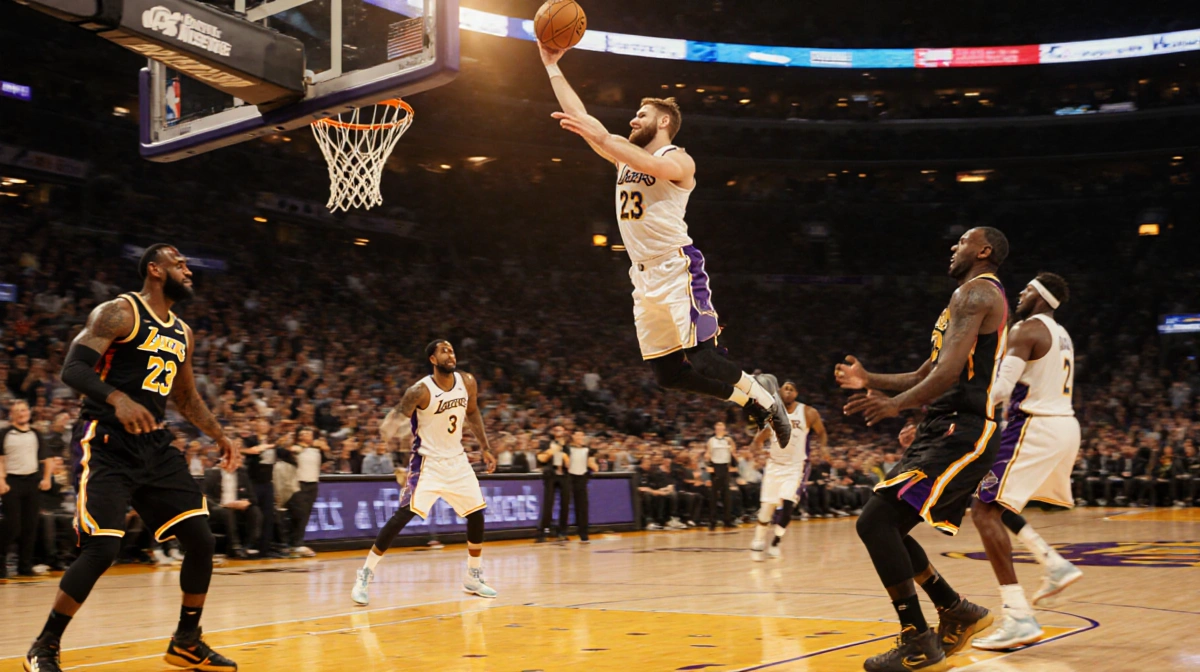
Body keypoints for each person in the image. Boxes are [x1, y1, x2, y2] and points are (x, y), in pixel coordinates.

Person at [539, 42, 792, 448]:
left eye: (641, 115)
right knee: (669, 375)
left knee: (705, 358)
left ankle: (766, 397)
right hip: (642, 277)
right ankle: (750, 396)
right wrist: (551, 65)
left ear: (663, 122)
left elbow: (650, 165)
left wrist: (602, 136)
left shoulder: (680, 159)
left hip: (677, 268)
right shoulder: (624, 156)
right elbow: (582, 117)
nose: (632, 120)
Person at [25, 244, 240, 672]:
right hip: (104, 441)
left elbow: (184, 395)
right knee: (103, 548)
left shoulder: (182, 331)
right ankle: (44, 646)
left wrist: (219, 433)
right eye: (179, 263)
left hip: (154, 447)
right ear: (155, 270)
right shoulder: (119, 312)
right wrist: (117, 398)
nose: (189, 270)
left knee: (200, 539)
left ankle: (186, 641)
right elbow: (73, 368)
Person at [837, 227, 1009, 671]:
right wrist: (871, 380)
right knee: (885, 525)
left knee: (876, 522)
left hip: (963, 429)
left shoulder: (977, 295)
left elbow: (950, 372)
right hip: (943, 426)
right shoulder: (964, 298)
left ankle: (918, 638)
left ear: (984, 251)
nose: (953, 247)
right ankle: (955, 609)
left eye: (963, 242)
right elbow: (926, 371)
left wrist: (894, 406)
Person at [971, 273, 1084, 651]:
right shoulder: (1061, 333)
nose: (1020, 292)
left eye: (1027, 288)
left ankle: (1018, 616)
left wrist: (958, 400)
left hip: (1033, 426)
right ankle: (1053, 563)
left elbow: (1002, 390)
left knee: (983, 511)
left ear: (1042, 295)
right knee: (995, 503)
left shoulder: (1025, 329)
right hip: (1064, 425)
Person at [351, 340, 498, 605]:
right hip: (428, 463)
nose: (450, 354)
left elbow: (473, 413)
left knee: (476, 513)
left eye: (452, 350)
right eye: (444, 351)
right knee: (402, 517)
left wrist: (485, 447)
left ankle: (473, 576)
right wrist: (393, 448)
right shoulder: (419, 391)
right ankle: (365, 574)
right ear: (432, 359)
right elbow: (393, 423)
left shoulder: (468, 381)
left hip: (457, 461)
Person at [749, 382, 827, 561]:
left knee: (788, 505)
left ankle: (776, 541)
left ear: (797, 393)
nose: (789, 391)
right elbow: (760, 437)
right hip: (774, 465)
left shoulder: (808, 412)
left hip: (795, 467)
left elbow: (821, 432)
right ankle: (759, 539)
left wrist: (824, 448)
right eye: (786, 388)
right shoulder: (772, 414)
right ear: (780, 392)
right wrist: (755, 447)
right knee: (766, 509)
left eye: (792, 389)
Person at [1, 400, 53, 578]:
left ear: (29, 413)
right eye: (18, 411)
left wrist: (46, 478)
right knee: (12, 526)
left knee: (30, 526)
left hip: (32, 482)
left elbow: (47, 459)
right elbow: (0, 459)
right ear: (12, 414)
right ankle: (1, 565)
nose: (22, 413)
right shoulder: (4, 433)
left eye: (24, 410)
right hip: (11, 482)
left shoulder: (36, 434)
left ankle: (25, 566)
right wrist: (1, 480)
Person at [535, 425, 570, 542]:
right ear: (553, 432)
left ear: (564, 431)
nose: (558, 431)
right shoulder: (546, 443)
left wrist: (564, 455)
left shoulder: (568, 447)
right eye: (556, 430)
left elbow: (569, 464)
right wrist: (554, 449)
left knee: (565, 505)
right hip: (550, 476)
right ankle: (543, 531)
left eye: (561, 429)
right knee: (548, 504)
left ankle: (562, 532)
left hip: (564, 476)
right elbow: (541, 459)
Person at [565, 430, 598, 543]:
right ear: (572, 436)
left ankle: (583, 533)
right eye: (577, 435)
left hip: (581, 478)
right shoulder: (567, 448)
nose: (580, 437)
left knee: (582, 507)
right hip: (569, 478)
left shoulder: (588, 450)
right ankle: (563, 533)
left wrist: (594, 466)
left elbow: (592, 463)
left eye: (581, 435)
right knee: (565, 506)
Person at [705, 421, 736, 529]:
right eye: (718, 428)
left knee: (726, 495)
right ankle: (712, 521)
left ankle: (727, 520)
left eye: (721, 428)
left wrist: (732, 449)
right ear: (715, 429)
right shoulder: (711, 440)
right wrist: (708, 465)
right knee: (713, 496)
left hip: (725, 467)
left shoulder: (728, 440)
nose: (720, 430)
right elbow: (707, 454)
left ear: (724, 429)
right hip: (715, 467)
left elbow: (734, 452)